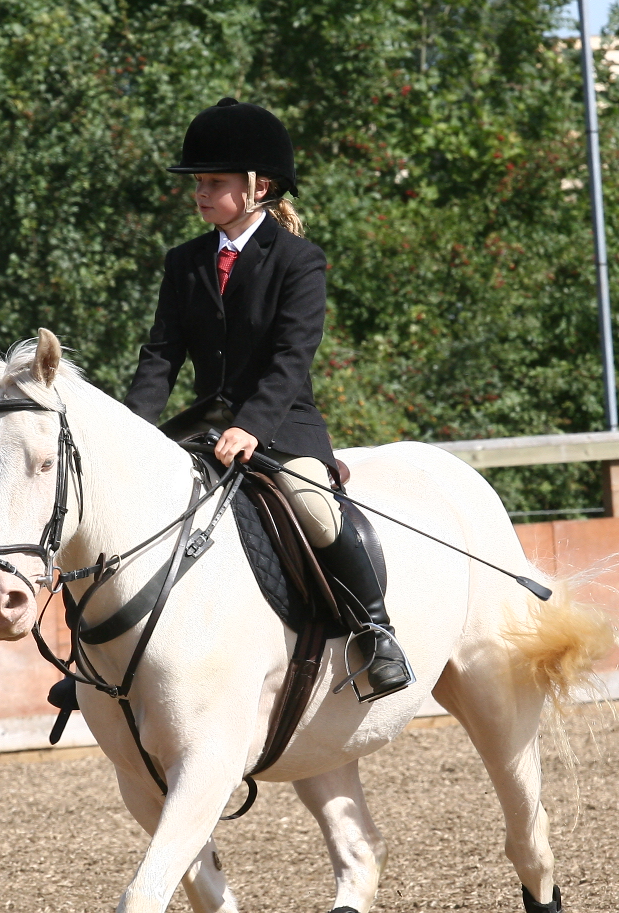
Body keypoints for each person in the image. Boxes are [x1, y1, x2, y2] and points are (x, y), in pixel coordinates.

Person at [123, 97, 413, 699]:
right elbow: (161, 356)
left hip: (282, 426)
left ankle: (376, 631)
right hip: (205, 427)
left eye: (214, 182)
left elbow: (291, 357)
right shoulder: (184, 263)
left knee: (312, 503)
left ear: (260, 187)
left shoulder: (299, 261)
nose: (200, 193)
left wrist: (252, 426)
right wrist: (133, 434)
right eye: (198, 182)